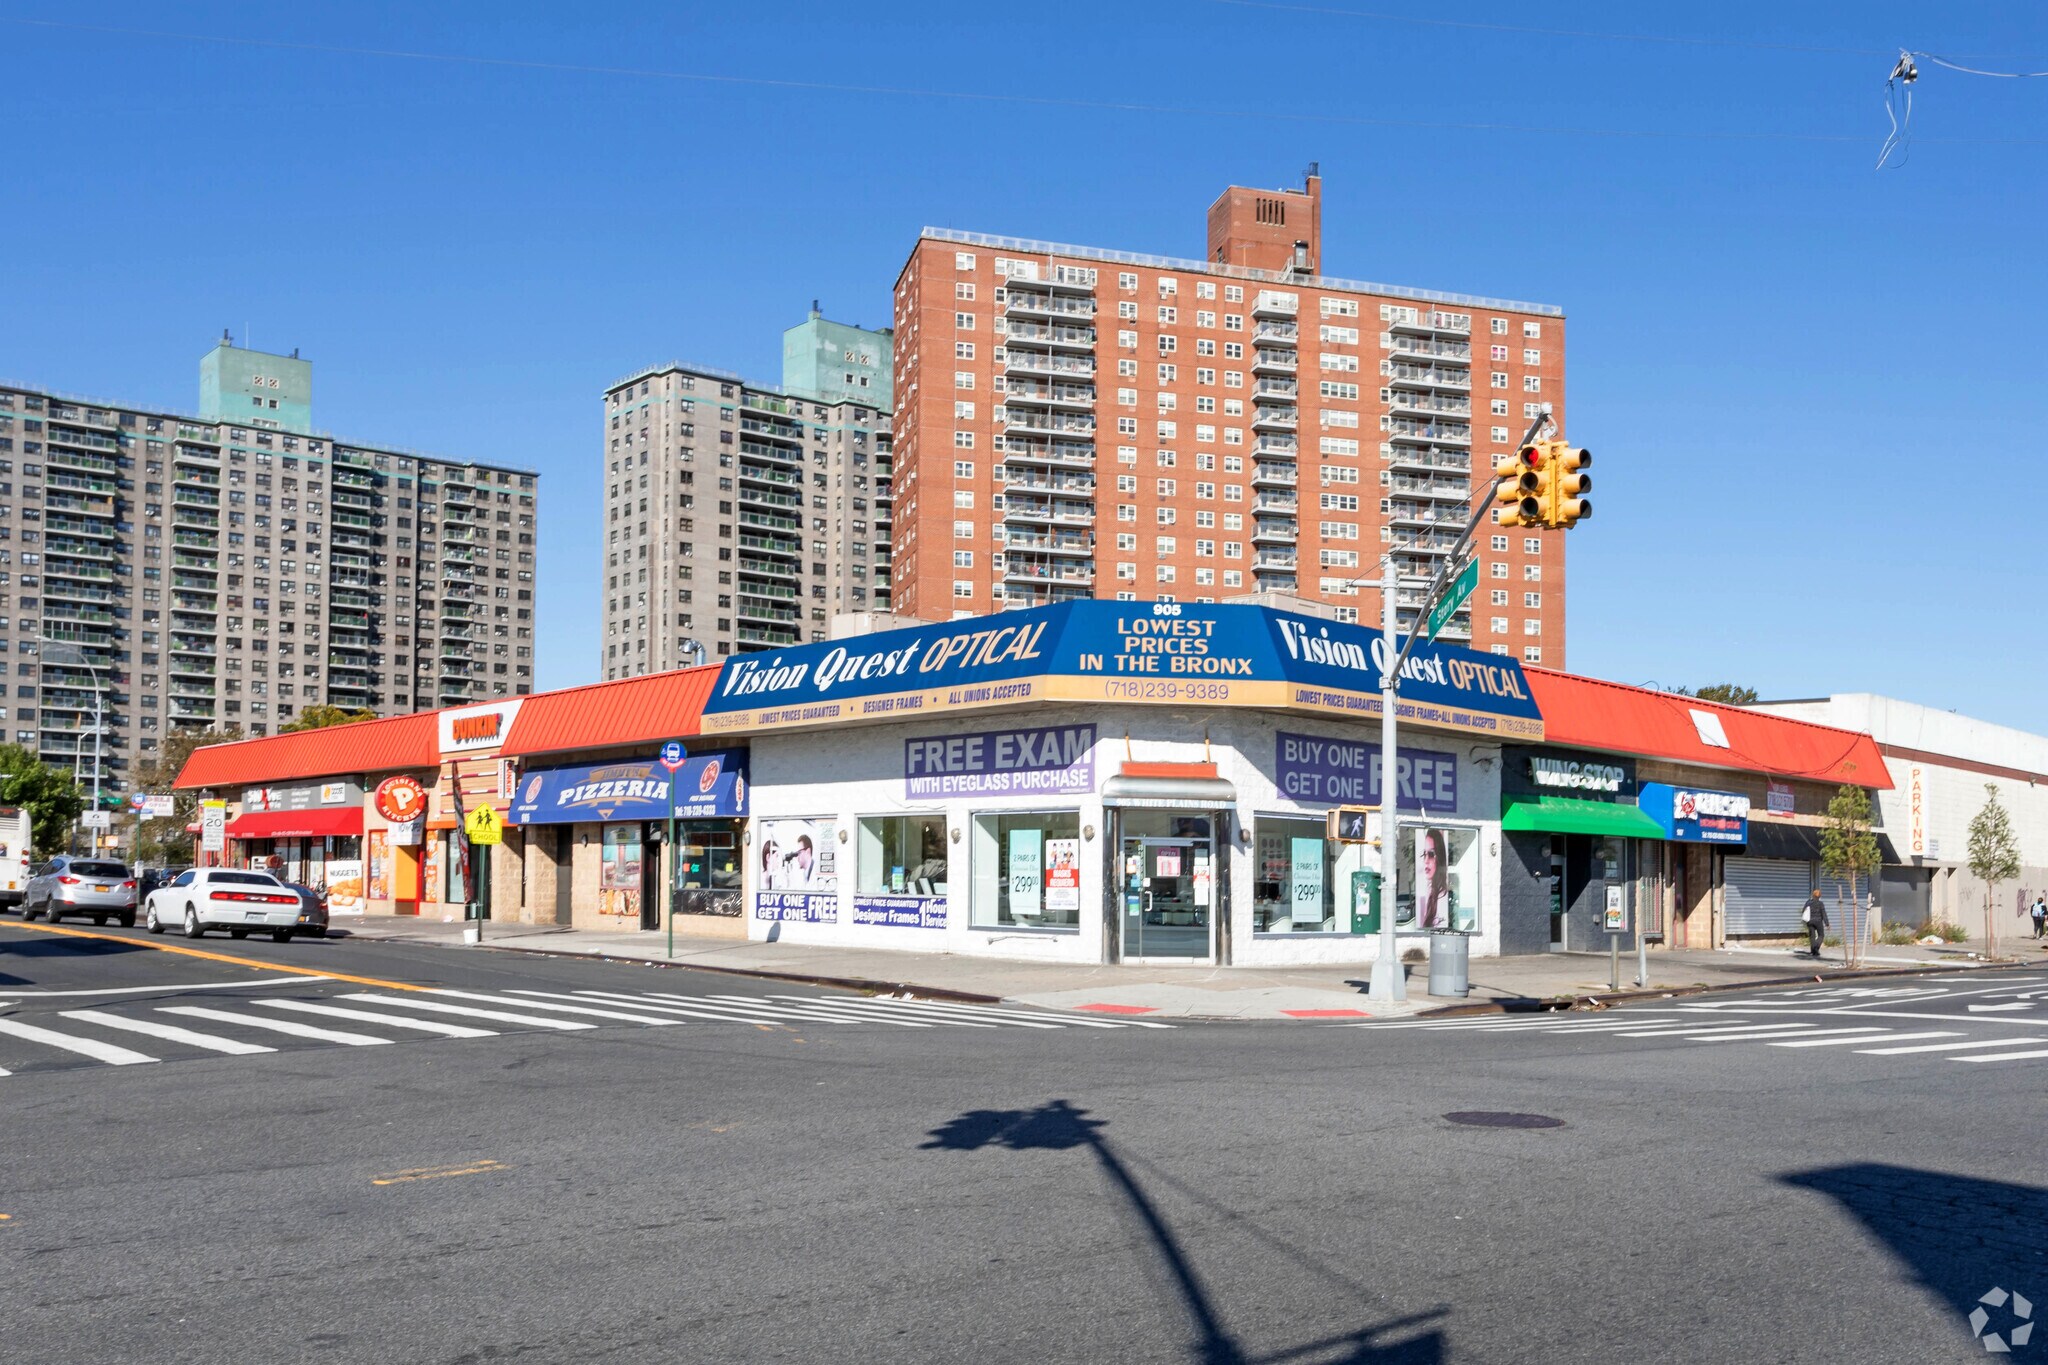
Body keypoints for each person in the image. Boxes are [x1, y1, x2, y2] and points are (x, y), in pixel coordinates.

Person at [1418, 829, 1453, 930]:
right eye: (1424, 854)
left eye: (1431, 854)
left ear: (1440, 857)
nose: (1426, 861)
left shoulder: (1442, 896)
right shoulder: (1430, 892)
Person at [1801, 888, 1828, 959]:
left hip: (1810, 921)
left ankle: (1813, 951)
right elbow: (1823, 914)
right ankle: (1816, 948)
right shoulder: (1820, 904)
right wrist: (1827, 923)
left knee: (1812, 936)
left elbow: (1803, 910)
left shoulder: (1808, 902)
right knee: (1821, 935)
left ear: (1813, 895)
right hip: (1818, 921)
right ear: (1819, 896)